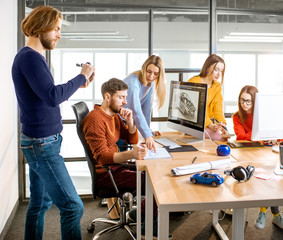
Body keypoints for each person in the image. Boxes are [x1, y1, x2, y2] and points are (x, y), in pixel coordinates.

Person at [11, 6, 95, 240]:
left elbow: (48, 94)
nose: (59, 34)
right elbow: (52, 96)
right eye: (56, 29)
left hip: (43, 142)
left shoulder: (33, 57)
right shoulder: (29, 57)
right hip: (42, 146)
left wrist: (80, 82)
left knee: (39, 204)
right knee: (73, 207)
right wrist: (82, 76)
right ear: (41, 27)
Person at [83, 78, 171, 239]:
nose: (125, 101)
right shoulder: (95, 119)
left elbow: (132, 139)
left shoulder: (113, 115)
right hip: (107, 174)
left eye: (125, 97)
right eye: (121, 97)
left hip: (116, 167)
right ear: (107, 97)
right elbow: (103, 157)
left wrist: (130, 121)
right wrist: (131, 154)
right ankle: (146, 227)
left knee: (156, 175)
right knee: (156, 182)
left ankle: (142, 212)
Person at [233, 85, 283, 231]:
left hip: (266, 155)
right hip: (247, 155)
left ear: (256, 101)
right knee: (266, 176)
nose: (244, 104)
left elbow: (279, 135)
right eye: (242, 100)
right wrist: (262, 138)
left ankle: (264, 212)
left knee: (271, 175)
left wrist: (271, 138)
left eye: (248, 101)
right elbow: (240, 136)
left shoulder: (265, 115)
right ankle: (275, 214)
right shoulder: (237, 116)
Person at [124, 55, 166, 151]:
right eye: (149, 71)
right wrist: (147, 135)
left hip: (127, 122)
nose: (151, 76)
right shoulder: (133, 84)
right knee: (119, 158)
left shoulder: (149, 83)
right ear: (144, 68)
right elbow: (136, 110)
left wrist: (148, 132)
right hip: (116, 123)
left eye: (156, 73)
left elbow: (146, 109)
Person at [188, 54, 228, 140]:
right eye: (216, 70)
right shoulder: (194, 82)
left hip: (206, 124)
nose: (219, 74)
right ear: (207, 67)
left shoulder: (217, 86)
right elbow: (196, 110)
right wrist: (210, 125)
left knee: (224, 137)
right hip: (193, 123)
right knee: (219, 137)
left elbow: (218, 109)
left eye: (221, 71)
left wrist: (223, 126)